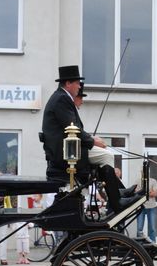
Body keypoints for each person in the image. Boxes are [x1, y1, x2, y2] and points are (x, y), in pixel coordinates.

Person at [41, 65, 138, 213]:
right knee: (107, 156)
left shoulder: (60, 98)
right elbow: (72, 127)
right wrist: (93, 141)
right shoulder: (61, 99)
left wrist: (92, 139)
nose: (79, 86)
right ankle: (116, 201)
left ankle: (118, 193)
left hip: (68, 149)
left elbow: (72, 128)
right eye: (77, 83)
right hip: (66, 153)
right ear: (68, 83)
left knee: (104, 156)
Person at [136, 175, 157, 242]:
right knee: (139, 228)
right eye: (142, 171)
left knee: (152, 228)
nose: (143, 173)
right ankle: (139, 245)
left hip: (151, 206)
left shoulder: (153, 181)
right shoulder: (137, 181)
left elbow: (155, 194)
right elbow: (136, 193)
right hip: (140, 207)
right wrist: (149, 192)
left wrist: (143, 192)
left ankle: (153, 244)